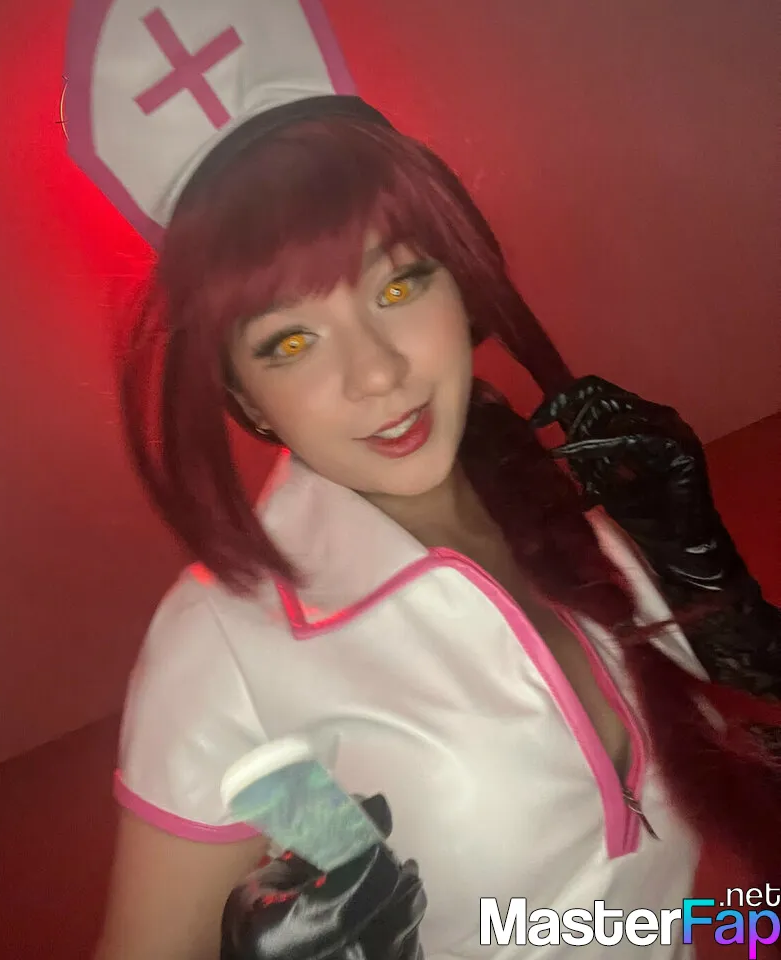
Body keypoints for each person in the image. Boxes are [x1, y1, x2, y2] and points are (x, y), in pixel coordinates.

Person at [82, 93, 781, 960]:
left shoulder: (567, 520)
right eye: (290, 342)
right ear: (243, 399)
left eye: (398, 285)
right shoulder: (226, 642)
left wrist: (711, 582)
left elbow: (662, 890)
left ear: (461, 284)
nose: (376, 373)